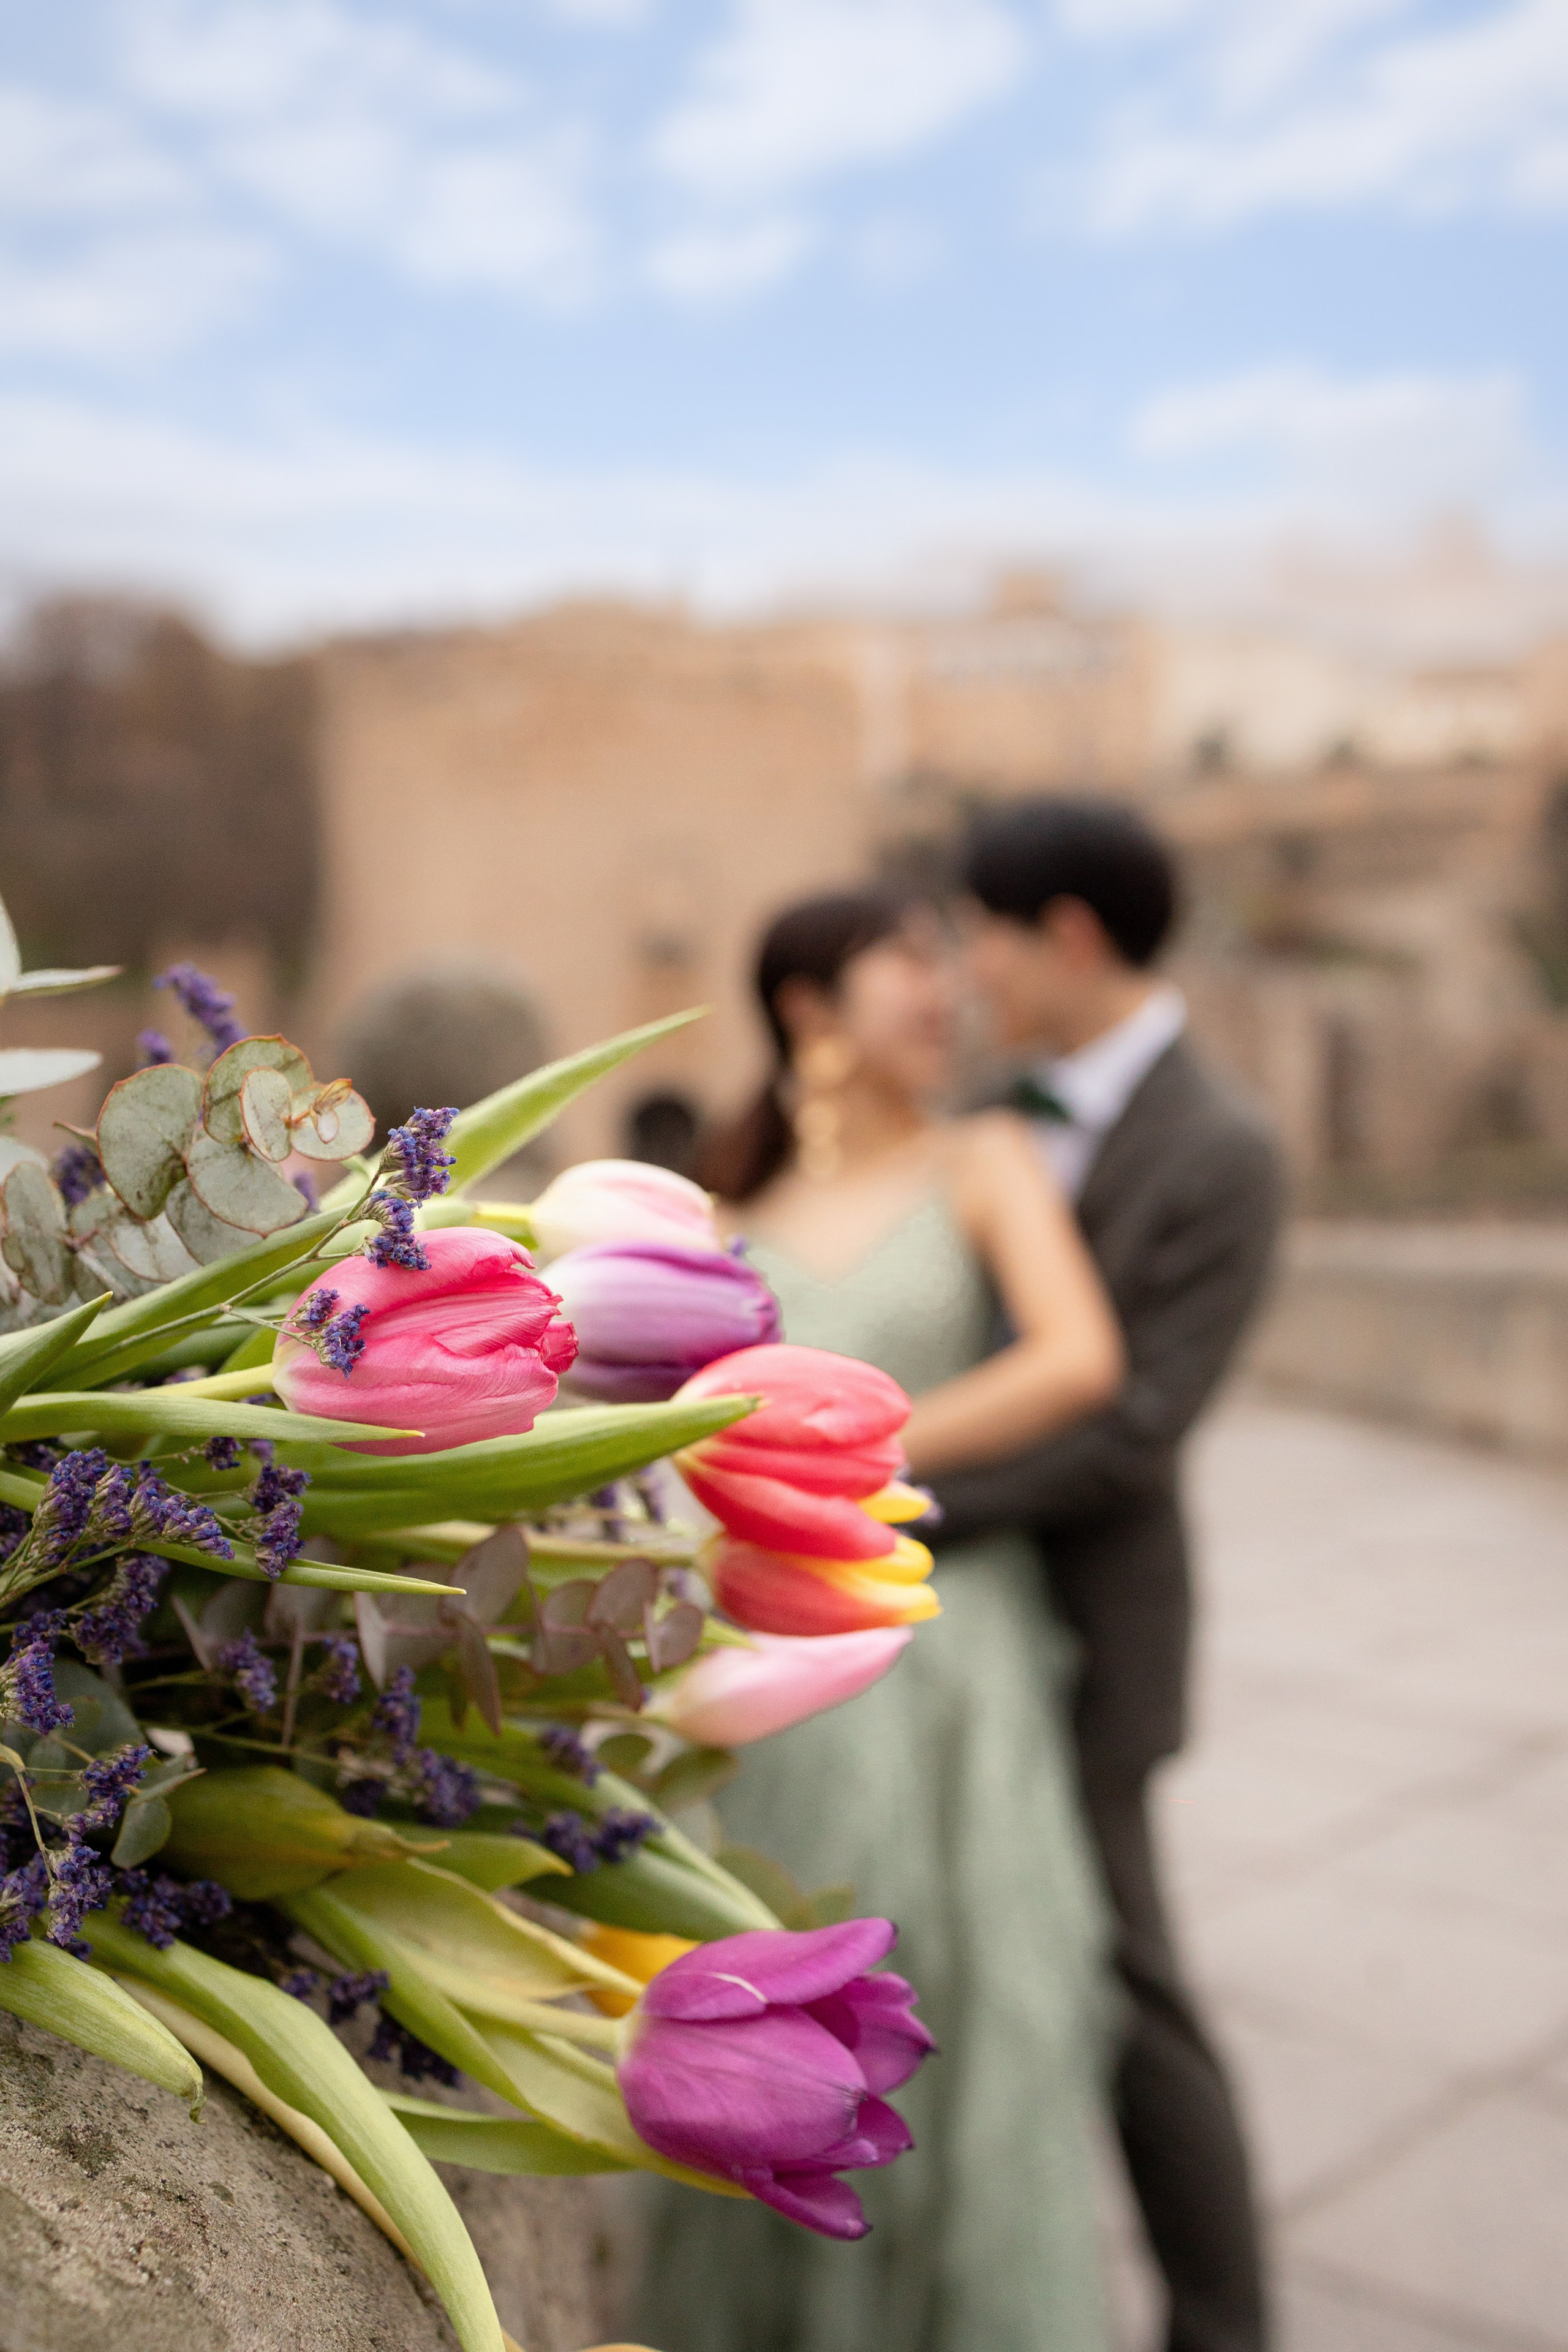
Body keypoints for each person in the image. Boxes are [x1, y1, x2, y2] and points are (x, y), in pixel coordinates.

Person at [635, 886, 1126, 2352]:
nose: (939, 991)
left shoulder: (981, 1157)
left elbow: (1078, 1356)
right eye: (902, 963)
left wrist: (855, 1448)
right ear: (806, 1005)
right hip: (771, 1656)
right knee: (781, 1991)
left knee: (978, 1997)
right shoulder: (721, 1212)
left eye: (939, 961)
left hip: (942, 1629)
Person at [937, 796, 1286, 2352]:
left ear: (1067, 935)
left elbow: (1135, 1429)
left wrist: (892, 1500)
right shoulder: (986, 1108)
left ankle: (1223, 2325)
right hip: (954, 1629)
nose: (968, 969)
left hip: (1092, 1629)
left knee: (1131, 1995)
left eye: (986, 935)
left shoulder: (1223, 1149)